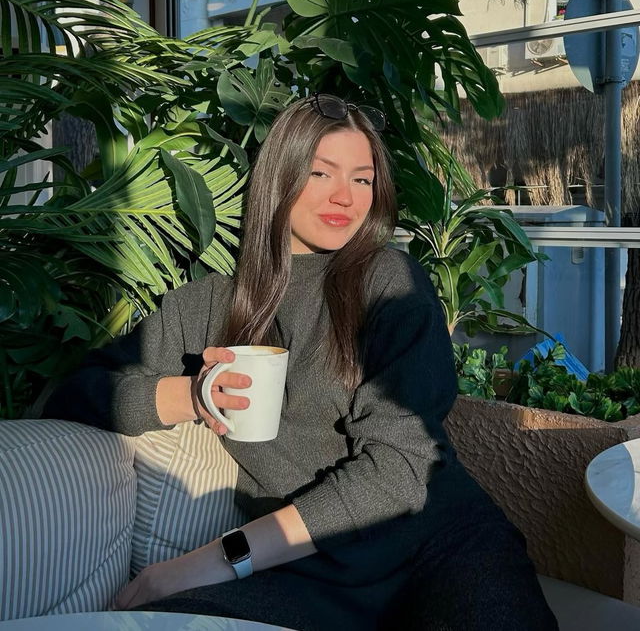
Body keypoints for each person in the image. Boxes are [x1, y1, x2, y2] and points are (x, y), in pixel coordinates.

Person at [43, 94, 558, 630]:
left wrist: (213, 560)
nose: (345, 196)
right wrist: (193, 395)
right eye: (320, 172)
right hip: (309, 576)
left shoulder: (390, 282)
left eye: (362, 179)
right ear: (280, 176)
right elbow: (76, 393)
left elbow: (400, 470)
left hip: (440, 549)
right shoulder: (210, 306)